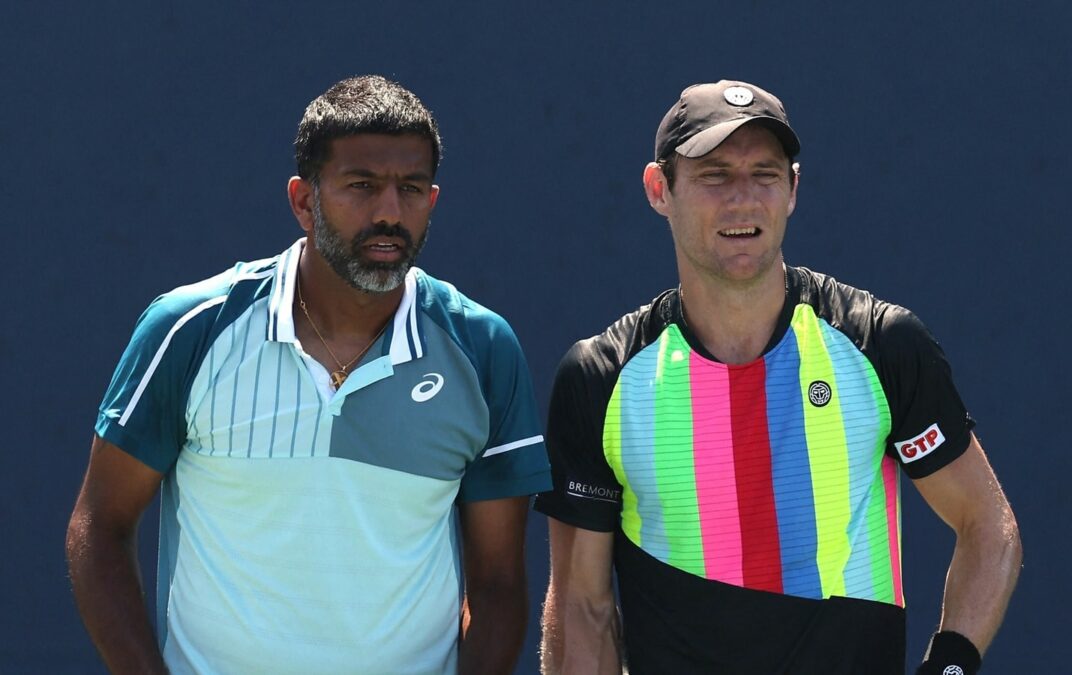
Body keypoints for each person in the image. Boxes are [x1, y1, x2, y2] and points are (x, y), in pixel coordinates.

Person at [66, 75, 551, 675]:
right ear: (303, 201)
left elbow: (499, 585)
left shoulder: (482, 349)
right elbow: (100, 528)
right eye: (361, 186)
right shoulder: (190, 329)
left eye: (411, 188)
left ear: (433, 199)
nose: (389, 212)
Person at [535, 80, 1022, 675]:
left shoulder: (882, 344)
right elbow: (582, 606)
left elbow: (987, 526)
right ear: (660, 190)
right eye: (715, 175)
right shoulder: (601, 379)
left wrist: (949, 666)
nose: (744, 200)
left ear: (793, 189)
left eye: (765, 174)